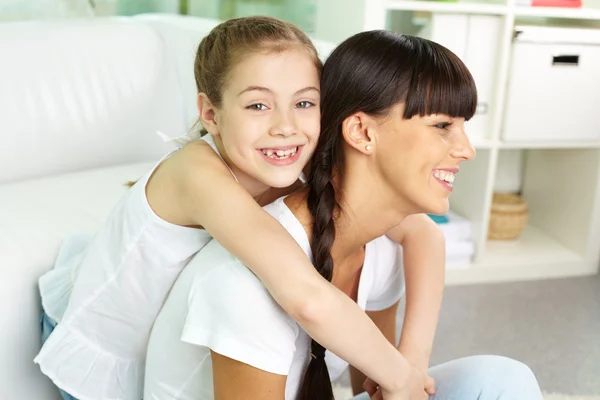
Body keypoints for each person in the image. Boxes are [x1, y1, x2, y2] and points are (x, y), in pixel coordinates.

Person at [35, 17, 444, 400]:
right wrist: (400, 376)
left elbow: (423, 232)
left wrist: (414, 355)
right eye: (258, 106)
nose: (285, 126)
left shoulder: (288, 157)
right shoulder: (197, 173)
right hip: (108, 343)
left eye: (304, 104)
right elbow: (304, 295)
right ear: (211, 114)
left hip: (177, 331)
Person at [144, 30, 545, 400]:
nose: (465, 149)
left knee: (502, 380)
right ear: (362, 133)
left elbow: (380, 385)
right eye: (442, 126)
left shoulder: (384, 249)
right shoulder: (242, 281)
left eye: (462, 127)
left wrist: (409, 369)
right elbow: (311, 303)